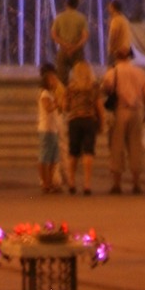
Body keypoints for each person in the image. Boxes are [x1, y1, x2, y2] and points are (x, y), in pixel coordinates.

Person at [105, 48, 145, 195]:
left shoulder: (112, 72)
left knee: (116, 147)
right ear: (131, 56)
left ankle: (117, 184)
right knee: (136, 147)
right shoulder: (140, 72)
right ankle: (137, 183)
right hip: (136, 112)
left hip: (120, 111)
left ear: (117, 55)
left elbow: (106, 89)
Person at [62, 57, 103, 194]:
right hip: (89, 120)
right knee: (88, 152)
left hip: (74, 120)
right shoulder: (93, 87)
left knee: (73, 153)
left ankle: (72, 182)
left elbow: (65, 106)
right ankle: (87, 184)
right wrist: (102, 123)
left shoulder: (70, 88)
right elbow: (99, 107)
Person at [36, 65, 64, 193]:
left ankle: (51, 182)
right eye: (52, 79)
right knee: (45, 158)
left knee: (53, 158)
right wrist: (57, 103)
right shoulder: (45, 94)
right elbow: (48, 108)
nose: (55, 80)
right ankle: (46, 183)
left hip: (53, 130)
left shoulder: (51, 94)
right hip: (46, 130)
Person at [50, 0, 89, 84]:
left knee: (61, 80)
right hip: (77, 52)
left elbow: (54, 34)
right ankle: (77, 97)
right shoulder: (81, 18)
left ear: (66, 4)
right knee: (80, 79)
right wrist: (74, 47)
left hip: (63, 51)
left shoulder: (59, 17)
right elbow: (85, 36)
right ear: (77, 4)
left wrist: (64, 45)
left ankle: (63, 97)